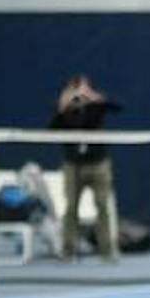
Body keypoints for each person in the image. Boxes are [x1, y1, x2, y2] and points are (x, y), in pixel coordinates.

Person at [49, 75, 122, 262]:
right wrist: (63, 106)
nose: (79, 94)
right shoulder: (64, 109)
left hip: (98, 163)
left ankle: (107, 251)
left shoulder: (95, 105)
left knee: (102, 206)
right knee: (71, 208)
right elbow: (52, 129)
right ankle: (68, 251)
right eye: (76, 89)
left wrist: (93, 96)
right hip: (73, 165)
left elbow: (116, 107)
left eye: (83, 89)